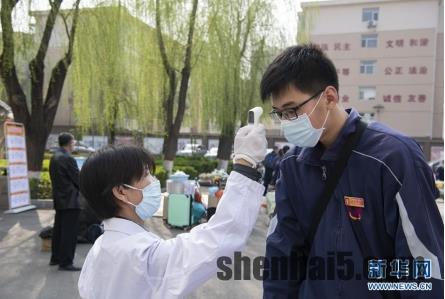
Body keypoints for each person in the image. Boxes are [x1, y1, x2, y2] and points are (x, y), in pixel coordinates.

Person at [260, 44, 443, 298]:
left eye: (293, 111)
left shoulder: (393, 158)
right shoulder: (293, 166)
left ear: (330, 97)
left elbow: (423, 267)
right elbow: (282, 256)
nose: (287, 123)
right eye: (280, 114)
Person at [78, 123, 267, 298]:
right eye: (145, 175)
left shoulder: (100, 247)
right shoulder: (141, 253)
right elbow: (219, 238)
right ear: (121, 192)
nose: (153, 181)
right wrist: (245, 166)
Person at [49, 132, 82, 271]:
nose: (74, 144)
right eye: (73, 142)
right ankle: (66, 262)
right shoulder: (68, 158)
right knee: (69, 232)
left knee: (59, 230)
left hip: (59, 199)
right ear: (69, 143)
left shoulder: (54, 157)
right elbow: (78, 180)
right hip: (71, 200)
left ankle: (55, 258)